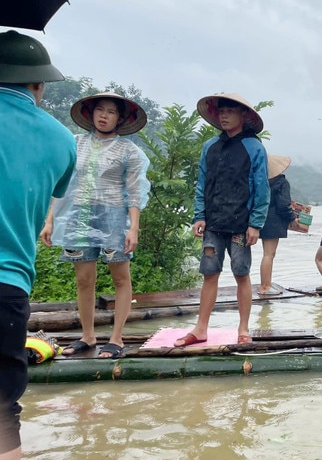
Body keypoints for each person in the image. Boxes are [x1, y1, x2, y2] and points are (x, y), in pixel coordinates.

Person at [0, 31, 76, 460]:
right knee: (3, 411)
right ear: (40, 87)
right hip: (8, 283)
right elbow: (51, 188)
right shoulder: (62, 139)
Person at [40, 91, 151, 359]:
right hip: (78, 215)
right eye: (100, 109)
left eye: (111, 111)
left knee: (120, 278)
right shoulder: (75, 143)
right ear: (90, 114)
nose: (104, 115)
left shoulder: (129, 151)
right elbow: (61, 185)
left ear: (120, 118)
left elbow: (134, 193)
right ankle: (88, 336)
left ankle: (116, 338)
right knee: (83, 279)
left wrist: (133, 227)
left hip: (114, 216)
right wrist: (50, 219)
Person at [174, 93, 270, 347]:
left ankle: (243, 328)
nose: (224, 115)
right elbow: (202, 184)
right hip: (213, 224)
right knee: (209, 273)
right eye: (221, 112)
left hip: (241, 225)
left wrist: (256, 224)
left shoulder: (254, 147)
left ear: (244, 116)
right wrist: (199, 216)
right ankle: (201, 327)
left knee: (241, 273)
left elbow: (261, 188)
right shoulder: (210, 147)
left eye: (230, 111)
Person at [258, 155, 298, 296]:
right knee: (269, 254)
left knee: (266, 254)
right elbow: (283, 205)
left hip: (260, 219)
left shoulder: (260, 181)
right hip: (274, 221)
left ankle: (265, 284)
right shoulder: (282, 182)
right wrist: (293, 218)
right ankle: (265, 286)